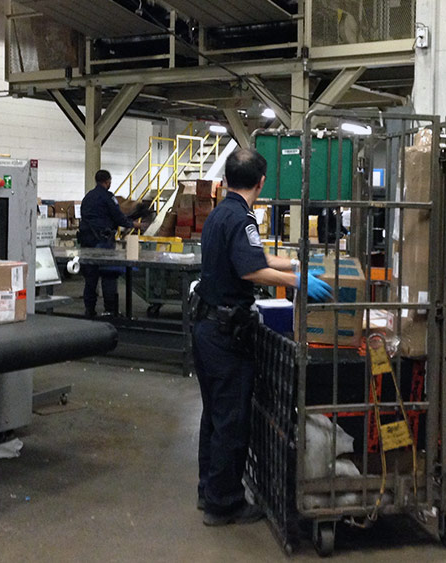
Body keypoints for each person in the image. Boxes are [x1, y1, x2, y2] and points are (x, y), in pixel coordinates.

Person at [193, 148, 333, 526]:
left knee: (215, 415)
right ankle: (225, 504)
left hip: (206, 329)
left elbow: (256, 258)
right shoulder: (242, 218)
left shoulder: (223, 212)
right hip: (225, 335)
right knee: (232, 420)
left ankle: (210, 491)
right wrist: (297, 281)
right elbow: (252, 270)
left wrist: (297, 263)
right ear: (262, 182)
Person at [78, 169, 142, 318]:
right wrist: (133, 224)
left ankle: (89, 310)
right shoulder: (108, 197)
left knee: (90, 278)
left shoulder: (87, 197)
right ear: (108, 181)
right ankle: (110, 310)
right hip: (103, 242)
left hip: (87, 242)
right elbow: (118, 217)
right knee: (109, 275)